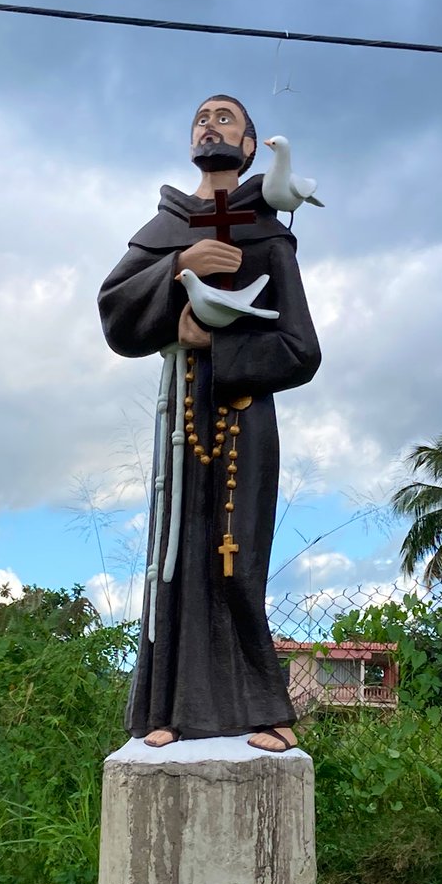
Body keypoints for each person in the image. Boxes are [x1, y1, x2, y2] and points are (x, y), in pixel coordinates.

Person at [98, 95, 321, 751]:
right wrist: (179, 268)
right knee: (171, 556)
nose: (209, 125)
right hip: (179, 415)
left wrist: (215, 348)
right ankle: (162, 709)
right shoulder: (168, 225)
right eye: (201, 117)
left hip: (245, 418)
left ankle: (264, 711)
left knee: (236, 562)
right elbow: (116, 312)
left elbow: (301, 349)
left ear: (251, 146)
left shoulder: (268, 231)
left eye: (225, 117)